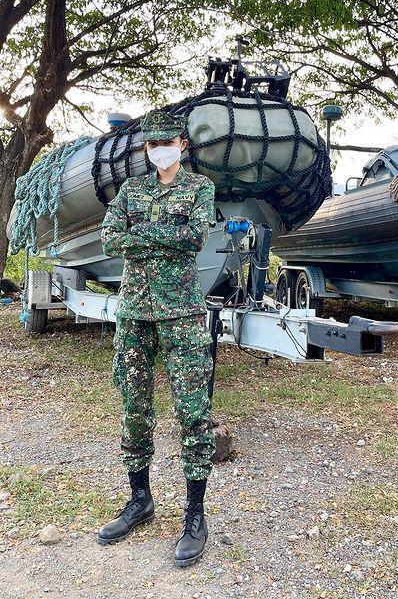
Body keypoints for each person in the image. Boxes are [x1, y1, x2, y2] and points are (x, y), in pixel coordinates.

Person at [97, 109, 217, 567]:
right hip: (134, 314)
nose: (158, 151)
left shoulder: (199, 188)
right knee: (134, 408)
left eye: (165, 142)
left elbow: (193, 240)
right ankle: (140, 500)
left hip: (181, 313)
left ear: (182, 145)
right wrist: (161, 234)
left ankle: (195, 513)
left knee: (192, 413)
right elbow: (110, 239)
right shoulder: (131, 189)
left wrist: (139, 233)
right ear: (145, 150)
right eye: (150, 145)